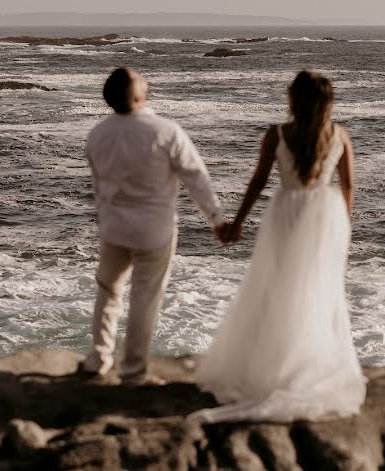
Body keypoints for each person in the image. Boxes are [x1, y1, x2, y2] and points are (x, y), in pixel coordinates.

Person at [190, 69, 365, 422]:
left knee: (278, 287)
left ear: (293, 99)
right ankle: (311, 363)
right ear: (328, 102)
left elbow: (257, 182)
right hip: (326, 216)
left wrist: (236, 223)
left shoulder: (278, 134)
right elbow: (348, 186)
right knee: (321, 289)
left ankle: (274, 363)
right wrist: (343, 223)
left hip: (287, 211)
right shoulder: (338, 135)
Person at [83, 67, 225, 385]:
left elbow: (98, 186)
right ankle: (133, 372)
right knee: (144, 298)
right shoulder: (165, 130)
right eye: (141, 80)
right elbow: (196, 177)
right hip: (154, 230)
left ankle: (99, 357)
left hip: (114, 228)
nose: (147, 81)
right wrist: (215, 219)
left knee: (107, 291)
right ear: (137, 95)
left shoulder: (98, 134)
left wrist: (105, 219)